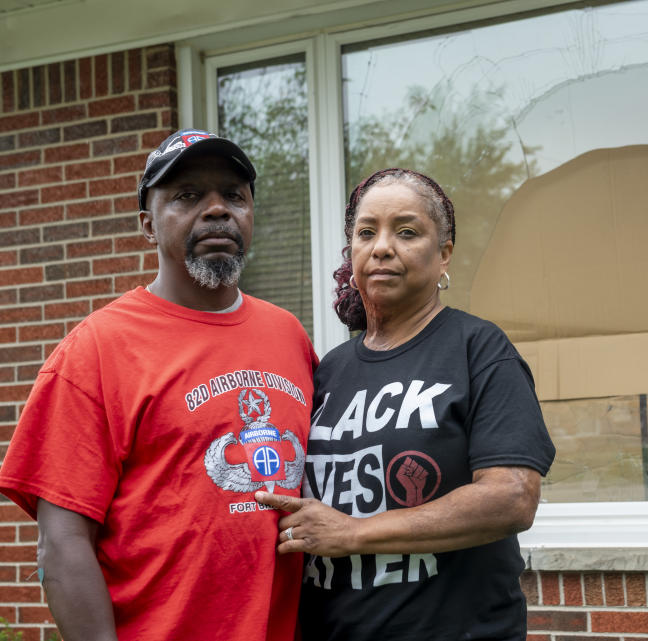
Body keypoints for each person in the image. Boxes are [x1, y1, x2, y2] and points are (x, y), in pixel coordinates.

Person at [0, 129, 317, 641]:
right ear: (148, 225)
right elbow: (61, 542)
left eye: (234, 195)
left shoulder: (288, 335)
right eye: (189, 195)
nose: (218, 210)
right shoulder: (98, 349)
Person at [256, 168, 556, 641]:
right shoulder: (328, 370)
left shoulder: (477, 350)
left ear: (444, 255)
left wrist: (354, 533)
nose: (381, 247)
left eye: (407, 232)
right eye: (366, 232)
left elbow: (512, 497)